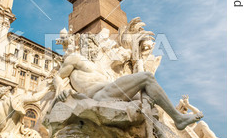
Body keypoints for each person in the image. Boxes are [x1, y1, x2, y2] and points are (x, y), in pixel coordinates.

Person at [53, 45, 203, 131]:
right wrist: (60, 91)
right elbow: (58, 77)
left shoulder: (97, 66)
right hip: (100, 95)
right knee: (146, 77)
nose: (91, 46)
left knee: (151, 102)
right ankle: (178, 118)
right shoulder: (74, 59)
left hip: (113, 93)